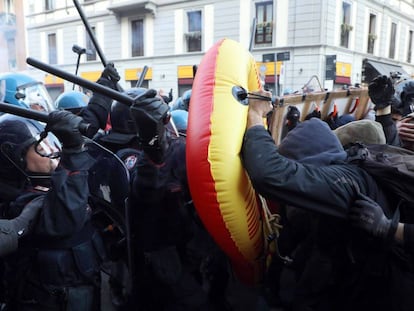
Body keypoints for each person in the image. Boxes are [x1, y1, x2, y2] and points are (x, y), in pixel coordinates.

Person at [241, 89, 413, 310]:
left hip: (384, 290)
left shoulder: (341, 181)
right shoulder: (357, 161)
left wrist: (255, 114)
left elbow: (269, 174)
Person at [0, 111, 106, 311]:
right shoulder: (18, 203)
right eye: (40, 147)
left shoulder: (53, 183)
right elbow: (64, 216)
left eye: (49, 143)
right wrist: (74, 153)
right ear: (15, 157)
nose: (51, 151)